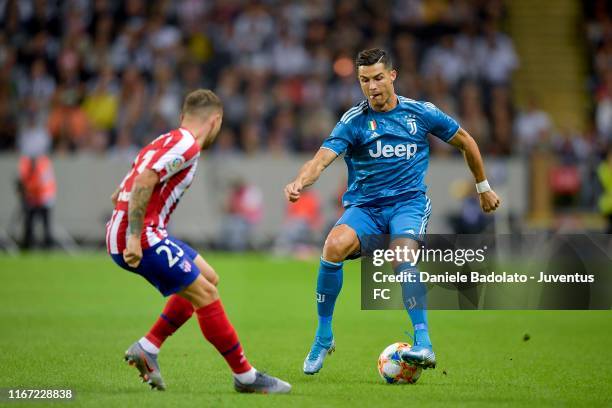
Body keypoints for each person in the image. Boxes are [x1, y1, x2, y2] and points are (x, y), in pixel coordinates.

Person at [284, 48, 501, 375]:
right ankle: (323, 336)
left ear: (393, 76)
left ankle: (424, 342)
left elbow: (466, 141)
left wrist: (483, 187)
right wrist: (301, 181)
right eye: (364, 80)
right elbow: (321, 159)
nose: (371, 87)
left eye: (377, 78)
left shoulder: (420, 114)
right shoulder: (354, 121)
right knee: (332, 246)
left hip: (407, 204)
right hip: (366, 208)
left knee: (402, 255)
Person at [106, 89, 290, 394]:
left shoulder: (166, 139)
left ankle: (147, 347)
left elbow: (132, 180)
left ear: (183, 117)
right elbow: (143, 181)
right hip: (142, 234)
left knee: (208, 278)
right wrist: (135, 236)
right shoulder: (187, 145)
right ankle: (245, 377)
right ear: (216, 120)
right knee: (205, 294)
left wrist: (124, 202)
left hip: (145, 230)